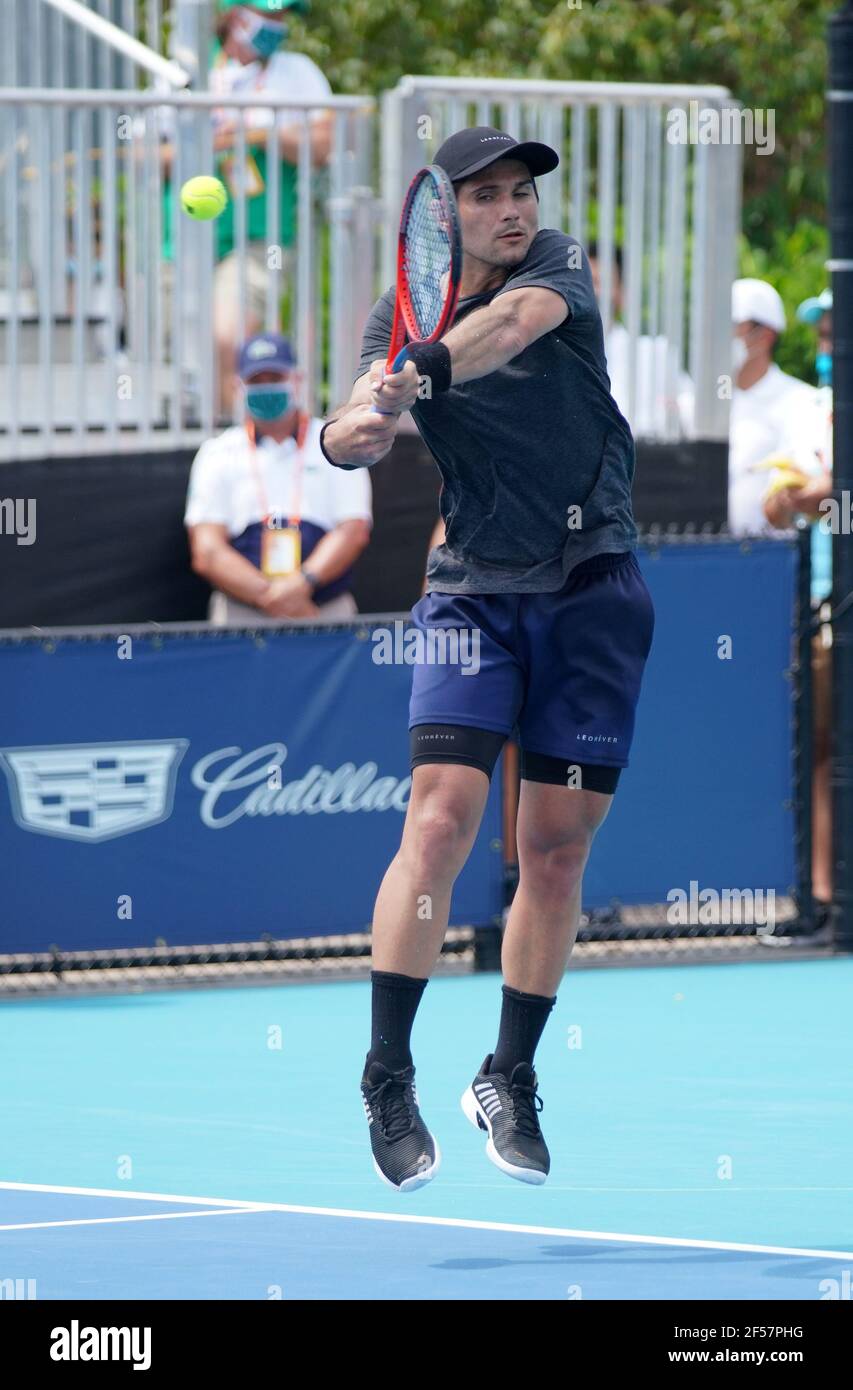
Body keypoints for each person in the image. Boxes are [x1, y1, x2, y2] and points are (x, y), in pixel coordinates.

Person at [322, 127, 655, 1191]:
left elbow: (508, 327)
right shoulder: (401, 313)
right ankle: (385, 1073)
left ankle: (508, 1073)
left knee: (554, 850)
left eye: (522, 192)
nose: (513, 210)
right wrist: (350, 434)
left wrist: (423, 369)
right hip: (471, 594)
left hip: (593, 591)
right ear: (443, 217)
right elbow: (346, 416)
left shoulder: (553, 271)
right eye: (489, 197)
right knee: (438, 818)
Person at [158, 0, 333, 418]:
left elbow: (324, 144)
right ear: (236, 16)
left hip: (261, 238)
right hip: (183, 239)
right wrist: (203, 144)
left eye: (283, 17)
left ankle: (235, 436)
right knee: (188, 354)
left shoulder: (297, 71)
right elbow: (145, 152)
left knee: (229, 336)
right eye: (271, 15)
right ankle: (217, 441)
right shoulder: (181, 72)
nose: (280, 25)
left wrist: (257, 131)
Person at [185, 332, 372, 623]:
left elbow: (353, 530)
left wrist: (302, 583)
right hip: (242, 614)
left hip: (324, 610)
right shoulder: (217, 452)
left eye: (275, 378)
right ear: (238, 387)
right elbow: (207, 549)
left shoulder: (336, 441)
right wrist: (273, 598)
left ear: (297, 380)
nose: (266, 388)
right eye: (256, 381)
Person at [763, 289, 834, 923]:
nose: (828, 342)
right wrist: (791, 497)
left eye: (838, 329)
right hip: (818, 605)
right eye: (823, 331)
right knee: (816, 749)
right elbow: (778, 503)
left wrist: (824, 495)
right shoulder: (813, 410)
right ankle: (821, 897)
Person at [728, 278, 819, 537]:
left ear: (765, 335)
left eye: (733, 325)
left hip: (771, 560)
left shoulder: (801, 401)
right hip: (704, 556)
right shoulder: (709, 400)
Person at [587, 242, 694, 438]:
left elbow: (694, 412)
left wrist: (673, 413)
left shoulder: (654, 354)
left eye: (600, 282)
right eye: (584, 282)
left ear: (623, 293)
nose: (592, 291)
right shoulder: (549, 357)